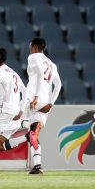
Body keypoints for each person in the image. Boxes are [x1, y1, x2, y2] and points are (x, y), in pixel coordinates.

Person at [20, 37, 62, 174]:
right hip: (46, 102)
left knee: (17, 123)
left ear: (34, 47)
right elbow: (59, 85)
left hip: (33, 98)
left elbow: (38, 74)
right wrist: (51, 103)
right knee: (33, 134)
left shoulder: (33, 57)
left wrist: (36, 96)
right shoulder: (52, 64)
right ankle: (37, 166)